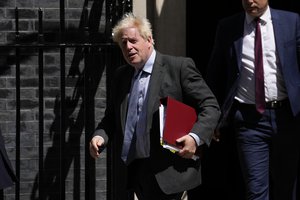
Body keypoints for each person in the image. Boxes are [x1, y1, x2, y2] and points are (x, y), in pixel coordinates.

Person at [89, 12, 220, 200]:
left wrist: (195, 137)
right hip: (136, 172)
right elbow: (111, 117)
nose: (128, 47)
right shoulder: (121, 76)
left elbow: (211, 106)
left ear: (149, 39)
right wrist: (99, 136)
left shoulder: (178, 67)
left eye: (133, 41)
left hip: (170, 170)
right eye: (123, 43)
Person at [205, 0, 300, 200]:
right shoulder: (228, 27)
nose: (249, 1)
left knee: (286, 186)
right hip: (249, 121)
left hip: (287, 117)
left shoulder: (291, 21)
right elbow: (215, 72)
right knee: (256, 191)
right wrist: (211, 116)